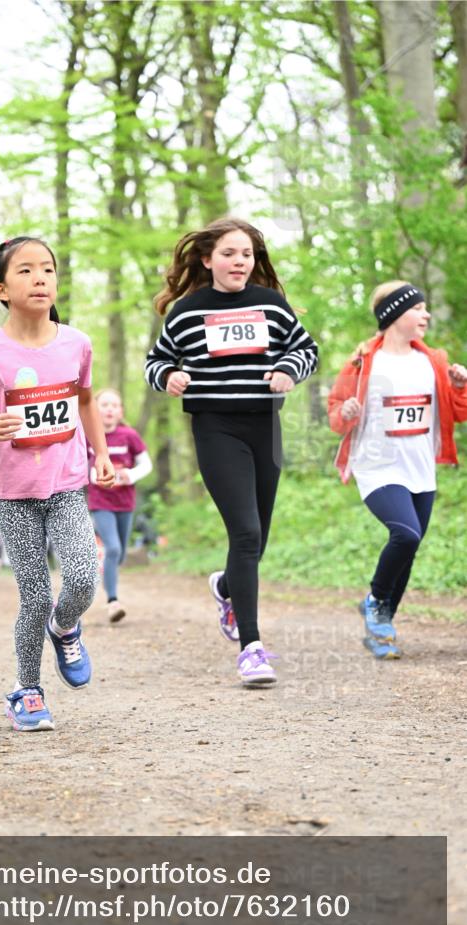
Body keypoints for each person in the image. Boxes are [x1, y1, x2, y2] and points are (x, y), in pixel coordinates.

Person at [145, 217, 319, 687]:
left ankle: (226, 587)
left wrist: (288, 367)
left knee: (256, 537)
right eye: (228, 253)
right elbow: (156, 361)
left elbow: (308, 349)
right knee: (244, 533)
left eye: (246, 254)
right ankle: (252, 649)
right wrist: (169, 377)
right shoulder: (187, 311)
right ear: (207, 260)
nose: (239, 261)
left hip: (264, 425)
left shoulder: (271, 306)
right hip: (216, 428)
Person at [0, 235, 115, 733]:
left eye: (47, 269)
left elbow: (86, 401)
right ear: (2, 290)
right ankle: (27, 691)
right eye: (25, 271)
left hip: (66, 482)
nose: (40, 278)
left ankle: (65, 629)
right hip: (14, 494)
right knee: (36, 595)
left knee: (84, 577)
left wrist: (102, 453)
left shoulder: (76, 343)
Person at [328, 281, 467, 658]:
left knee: (412, 543)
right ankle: (376, 601)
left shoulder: (434, 360)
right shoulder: (361, 362)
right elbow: (335, 414)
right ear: (393, 314)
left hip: (420, 467)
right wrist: (346, 412)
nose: (426, 315)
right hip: (377, 466)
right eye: (417, 308)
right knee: (405, 535)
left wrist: (459, 387)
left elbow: (460, 413)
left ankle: (381, 625)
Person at [87, 388, 152, 623]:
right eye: (104, 405)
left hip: (125, 502)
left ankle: (107, 568)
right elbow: (81, 465)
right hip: (100, 501)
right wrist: (98, 476)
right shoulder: (89, 435)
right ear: (95, 409)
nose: (109, 409)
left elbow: (146, 464)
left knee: (120, 553)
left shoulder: (129, 435)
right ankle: (113, 601)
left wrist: (130, 476)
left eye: (114, 405)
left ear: (120, 411)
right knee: (113, 548)